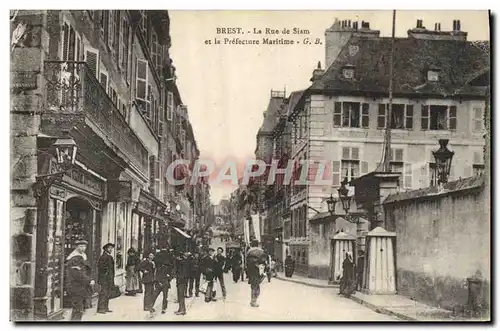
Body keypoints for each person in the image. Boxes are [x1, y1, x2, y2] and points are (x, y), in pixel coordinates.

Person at [66, 239, 93, 321]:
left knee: (79, 308)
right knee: (78, 308)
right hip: (76, 286)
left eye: (84, 246)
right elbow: (78, 274)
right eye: (81, 246)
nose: (83, 248)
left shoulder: (82, 256)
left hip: (80, 286)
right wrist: (89, 280)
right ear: (77, 247)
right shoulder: (74, 258)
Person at [246, 240, 267, 307]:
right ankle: (253, 301)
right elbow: (263, 262)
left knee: (253, 286)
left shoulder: (249, 252)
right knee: (256, 286)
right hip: (258, 270)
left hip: (251, 271)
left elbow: (247, 262)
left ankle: (253, 300)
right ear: (258, 244)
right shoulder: (261, 251)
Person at [153, 247, 174, 314]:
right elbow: (171, 275)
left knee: (156, 294)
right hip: (163, 281)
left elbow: (171, 275)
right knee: (163, 295)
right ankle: (163, 308)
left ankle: (153, 306)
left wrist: (167, 279)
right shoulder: (168, 267)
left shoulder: (161, 266)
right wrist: (168, 279)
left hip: (162, 281)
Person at [97, 243, 115, 314]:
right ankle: (101, 308)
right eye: (109, 248)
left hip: (108, 278)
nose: (111, 249)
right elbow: (100, 267)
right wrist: (106, 273)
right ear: (106, 249)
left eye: (111, 248)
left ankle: (105, 307)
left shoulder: (108, 256)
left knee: (107, 293)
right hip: (105, 279)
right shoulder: (104, 256)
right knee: (103, 293)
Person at [174, 251, 190, 315]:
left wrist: (178, 260)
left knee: (181, 295)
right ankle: (180, 309)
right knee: (180, 295)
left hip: (181, 280)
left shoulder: (184, 262)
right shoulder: (184, 261)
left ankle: (182, 310)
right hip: (181, 280)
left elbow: (182, 271)